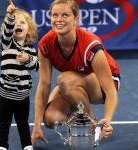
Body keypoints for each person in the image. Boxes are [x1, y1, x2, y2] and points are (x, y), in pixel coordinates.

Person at [31, 0, 120, 145]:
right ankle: (77, 108)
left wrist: (107, 120)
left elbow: (110, 91)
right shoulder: (45, 45)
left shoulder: (91, 46)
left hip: (103, 84)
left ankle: (91, 123)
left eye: (65, 15)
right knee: (51, 119)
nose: (59, 20)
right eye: (55, 15)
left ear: (76, 20)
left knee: (65, 80)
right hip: (71, 81)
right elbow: (44, 86)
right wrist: (36, 126)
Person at [0, 0, 39, 150]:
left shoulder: (30, 50)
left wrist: (28, 59)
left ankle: (26, 145)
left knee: (23, 122)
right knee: (4, 122)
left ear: (29, 29)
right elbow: (8, 30)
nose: (18, 25)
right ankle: (2, 145)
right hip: (6, 95)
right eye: (15, 23)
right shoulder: (6, 43)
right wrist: (10, 15)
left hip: (23, 95)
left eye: (22, 23)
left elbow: (36, 65)